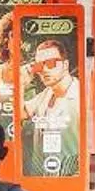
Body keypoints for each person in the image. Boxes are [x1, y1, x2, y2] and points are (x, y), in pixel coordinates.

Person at [23, 38, 82, 177]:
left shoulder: (80, 95)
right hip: (41, 179)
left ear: (65, 64)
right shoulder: (47, 94)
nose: (44, 70)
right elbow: (20, 114)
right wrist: (20, 83)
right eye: (39, 66)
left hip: (68, 180)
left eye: (51, 63)